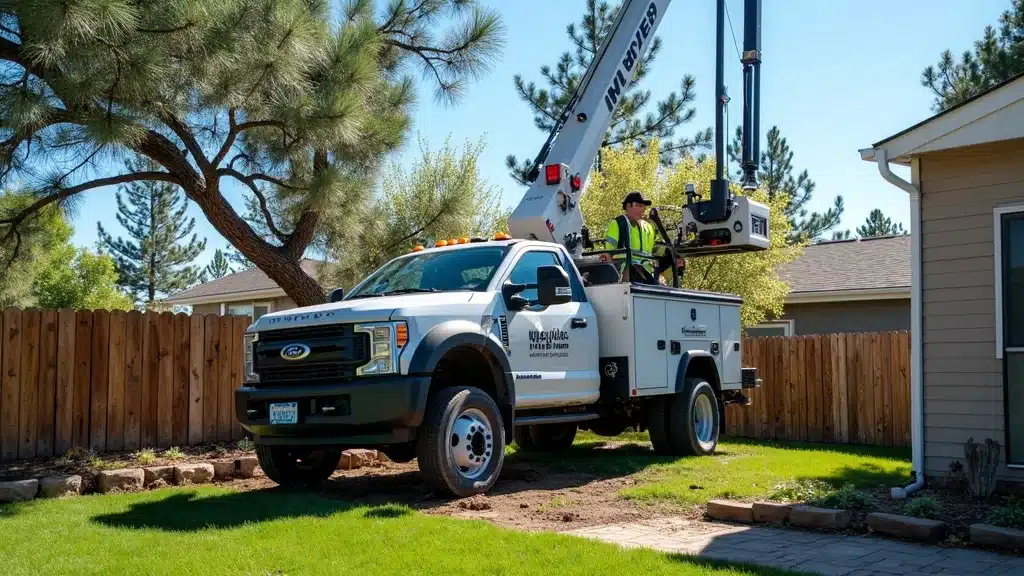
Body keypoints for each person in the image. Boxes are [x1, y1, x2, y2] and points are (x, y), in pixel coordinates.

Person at [604, 191, 685, 283]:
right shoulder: (618, 223)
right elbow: (607, 253)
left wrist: (673, 255)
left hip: (646, 272)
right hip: (625, 272)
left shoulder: (648, 227)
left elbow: (655, 250)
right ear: (628, 206)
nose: (642, 209)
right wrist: (615, 279)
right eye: (638, 205)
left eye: (643, 206)